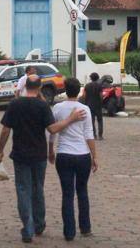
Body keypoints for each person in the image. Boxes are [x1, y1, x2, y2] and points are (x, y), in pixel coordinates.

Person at [0, 75, 86, 243]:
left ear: (25, 87)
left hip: (20, 154)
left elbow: (5, 130)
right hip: (39, 155)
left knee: (23, 190)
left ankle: (28, 227)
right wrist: (70, 119)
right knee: (38, 189)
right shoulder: (42, 106)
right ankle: (39, 224)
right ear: (38, 88)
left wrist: (0, 150)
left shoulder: (15, 105)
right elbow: (52, 129)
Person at [49, 77, 98, 241]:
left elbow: (51, 132)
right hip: (83, 155)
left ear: (64, 89)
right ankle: (85, 228)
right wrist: (94, 155)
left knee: (67, 194)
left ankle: (69, 231)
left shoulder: (57, 108)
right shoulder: (84, 109)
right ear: (79, 91)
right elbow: (89, 134)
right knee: (82, 191)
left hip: (64, 154)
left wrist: (50, 149)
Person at [82, 73, 104, 140]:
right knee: (100, 120)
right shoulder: (99, 86)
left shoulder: (87, 86)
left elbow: (84, 96)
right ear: (97, 78)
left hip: (89, 105)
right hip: (98, 105)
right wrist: (101, 102)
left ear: (91, 78)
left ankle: (94, 135)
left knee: (92, 121)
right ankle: (100, 135)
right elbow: (101, 96)